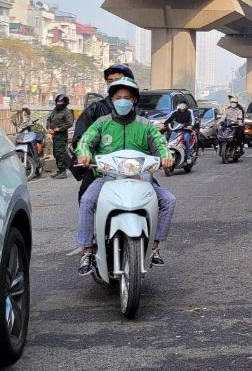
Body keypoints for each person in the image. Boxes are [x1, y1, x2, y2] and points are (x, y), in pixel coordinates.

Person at [75, 78, 175, 274]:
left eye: (127, 98)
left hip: (141, 179)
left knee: (168, 200)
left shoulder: (146, 125)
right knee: (87, 200)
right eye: (118, 97)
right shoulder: (101, 124)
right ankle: (87, 251)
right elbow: (85, 140)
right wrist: (84, 153)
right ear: (112, 100)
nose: (122, 101)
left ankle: (154, 247)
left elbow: (160, 144)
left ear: (135, 100)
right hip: (107, 179)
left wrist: (166, 156)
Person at [72, 64, 136, 201]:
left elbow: (155, 139)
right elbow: (81, 137)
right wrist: (85, 154)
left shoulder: (140, 114)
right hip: (102, 168)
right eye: (110, 81)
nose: (114, 83)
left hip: (134, 168)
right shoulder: (96, 109)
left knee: (160, 199)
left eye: (118, 79)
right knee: (85, 196)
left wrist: (164, 155)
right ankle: (88, 223)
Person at [47, 94, 74, 179]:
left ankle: (63, 171)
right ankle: (60, 170)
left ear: (65, 102)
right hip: (54, 135)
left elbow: (70, 123)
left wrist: (59, 129)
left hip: (61, 136)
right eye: (57, 101)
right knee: (56, 153)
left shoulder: (67, 112)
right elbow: (49, 119)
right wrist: (48, 128)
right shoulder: (55, 110)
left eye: (60, 102)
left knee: (61, 153)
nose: (58, 103)